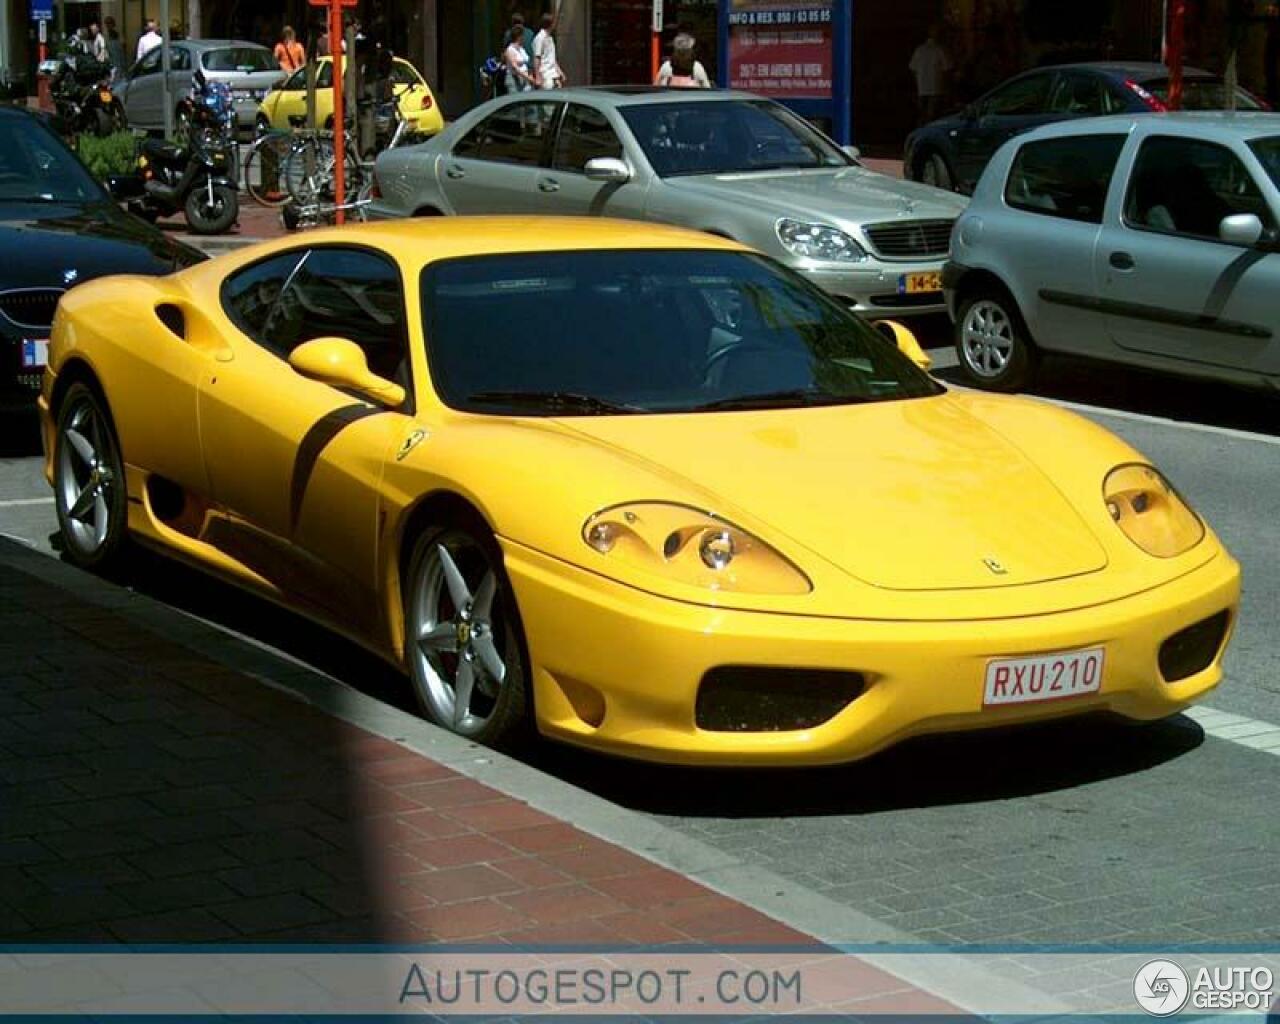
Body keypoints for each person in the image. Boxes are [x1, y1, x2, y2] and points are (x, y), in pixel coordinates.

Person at [909, 23, 950, 125]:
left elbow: (913, 68)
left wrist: (918, 82)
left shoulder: (919, 50)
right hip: (935, 87)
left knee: (922, 114)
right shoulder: (940, 50)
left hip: (922, 87)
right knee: (931, 115)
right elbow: (947, 68)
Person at [532, 11, 564, 89]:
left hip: (553, 73)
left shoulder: (550, 38)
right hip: (545, 74)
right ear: (551, 24)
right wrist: (538, 77)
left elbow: (552, 58)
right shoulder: (540, 38)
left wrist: (560, 72)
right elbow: (537, 57)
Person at [503, 18, 535, 94]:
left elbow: (527, 62)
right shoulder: (510, 49)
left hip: (525, 79)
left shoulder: (521, 49)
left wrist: (530, 75)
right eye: (522, 35)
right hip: (515, 79)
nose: (524, 37)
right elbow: (515, 67)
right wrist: (529, 78)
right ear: (518, 37)